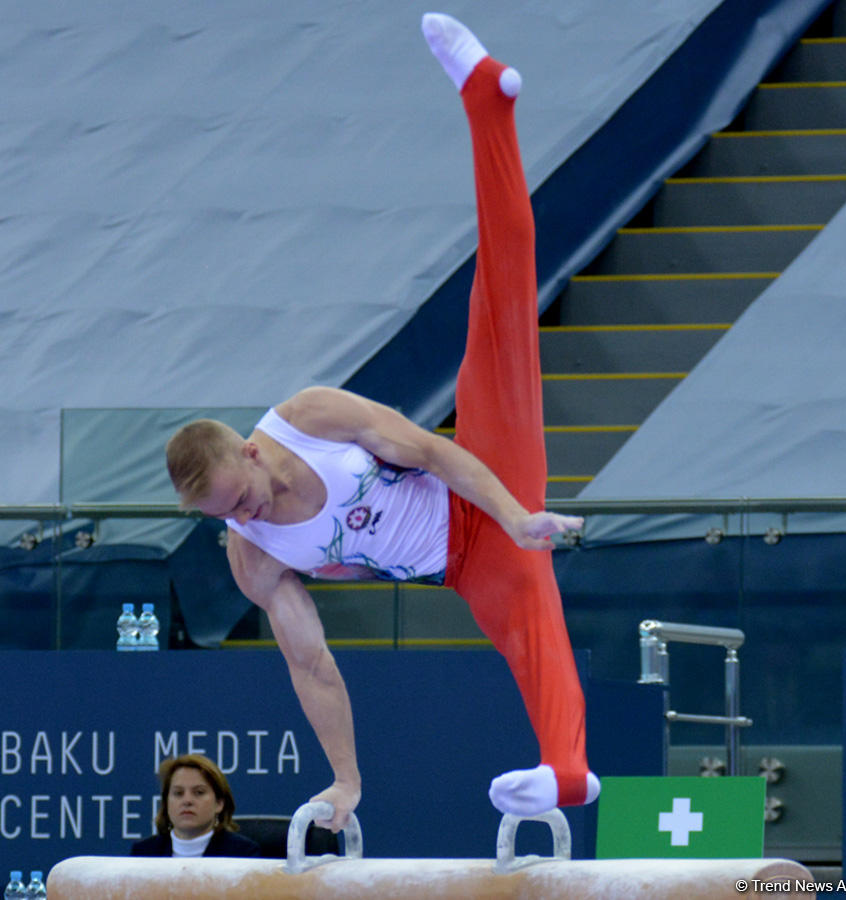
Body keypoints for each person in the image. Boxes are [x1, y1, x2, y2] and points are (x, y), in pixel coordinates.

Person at [165, 13, 599, 832]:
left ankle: (486, 104)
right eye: (222, 517)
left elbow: (431, 450)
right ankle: (568, 774)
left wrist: (515, 514)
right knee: (524, 622)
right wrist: (345, 783)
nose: (243, 519)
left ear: (252, 453)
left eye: (242, 499)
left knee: (502, 296)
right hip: (454, 562)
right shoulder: (251, 558)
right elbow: (312, 666)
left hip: (481, 476)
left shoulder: (310, 417)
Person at [131, 754, 261, 858]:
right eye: (178, 793)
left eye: (199, 792)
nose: (187, 801)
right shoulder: (143, 853)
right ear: (166, 803)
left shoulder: (242, 854)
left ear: (219, 803)